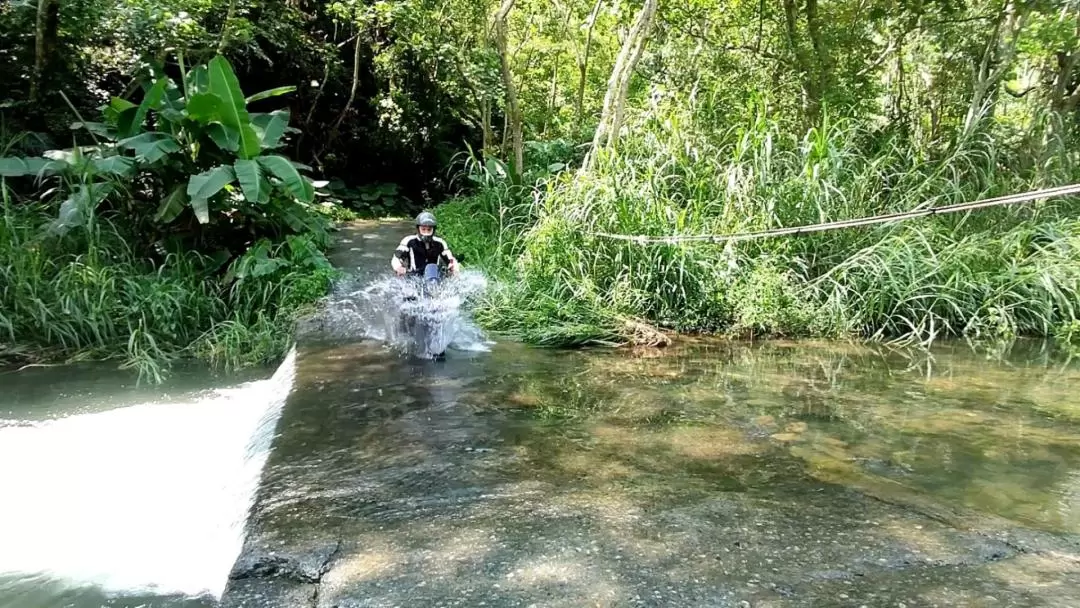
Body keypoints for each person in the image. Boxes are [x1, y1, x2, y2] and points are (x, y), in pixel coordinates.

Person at [391, 211, 460, 277]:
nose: (426, 232)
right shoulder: (408, 241)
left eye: (429, 229)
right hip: (414, 278)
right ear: (418, 229)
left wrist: (453, 267)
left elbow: (450, 258)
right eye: (423, 229)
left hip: (436, 278)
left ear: (433, 230)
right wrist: (399, 267)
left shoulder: (440, 242)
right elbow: (396, 257)